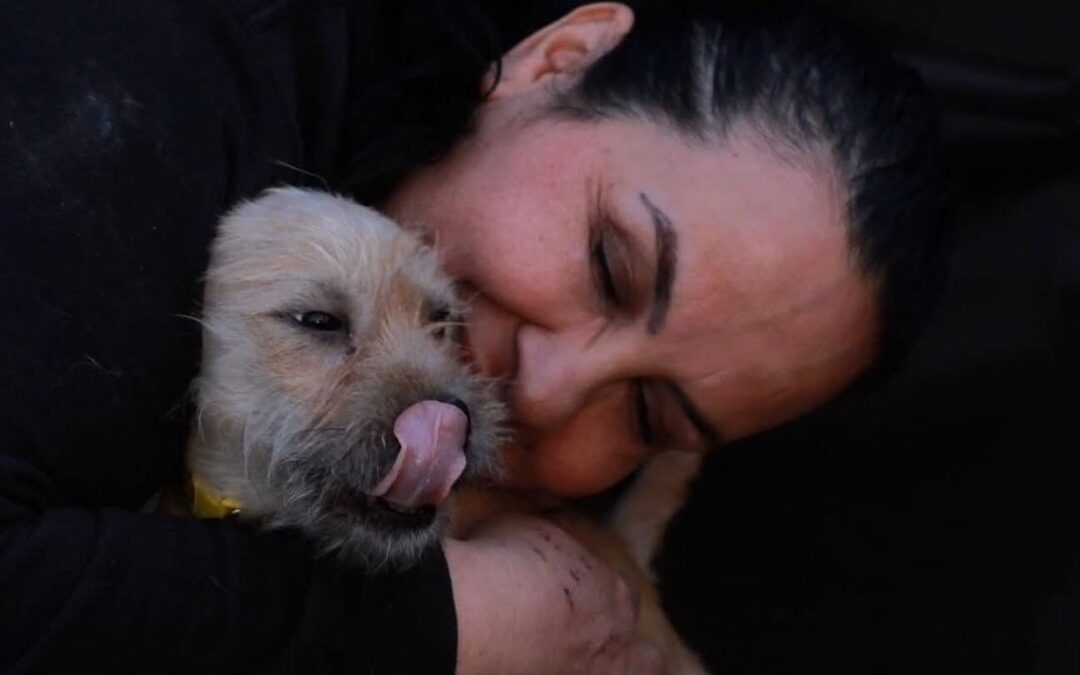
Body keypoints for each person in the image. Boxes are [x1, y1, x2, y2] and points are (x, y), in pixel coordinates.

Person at [0, 0, 944, 673]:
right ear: (558, 58)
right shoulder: (153, 93)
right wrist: (442, 625)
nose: (546, 388)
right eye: (609, 263)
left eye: (648, 414)